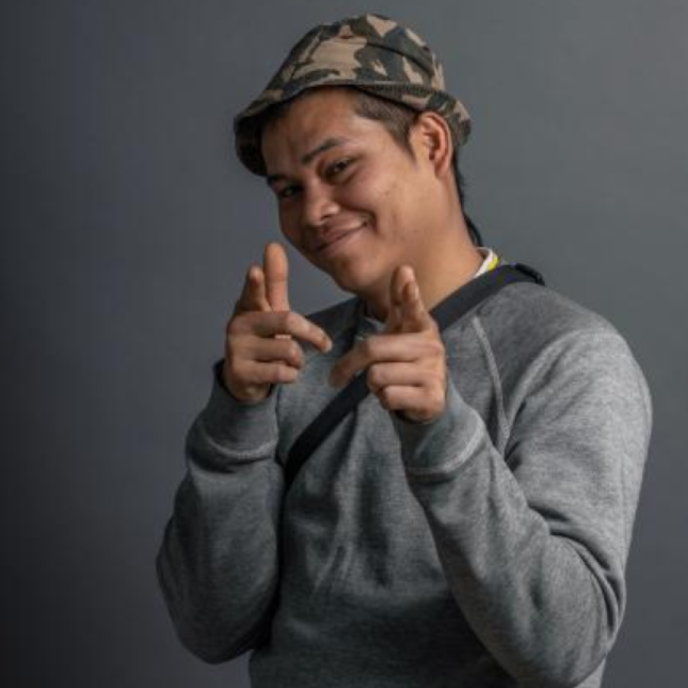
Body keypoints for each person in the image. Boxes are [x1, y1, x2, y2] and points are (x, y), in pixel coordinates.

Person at [156, 13, 653, 688]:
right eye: (288, 191)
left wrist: (441, 436)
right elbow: (209, 628)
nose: (315, 211)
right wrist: (234, 421)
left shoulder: (567, 355)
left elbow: (562, 650)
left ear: (431, 142)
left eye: (339, 167)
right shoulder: (291, 358)